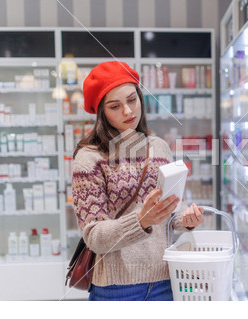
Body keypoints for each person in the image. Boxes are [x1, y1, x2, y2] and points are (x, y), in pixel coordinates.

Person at [72, 61, 204, 301]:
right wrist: (141, 220)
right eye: (115, 106)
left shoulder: (159, 147)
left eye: (132, 100)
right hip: (116, 287)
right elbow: (93, 236)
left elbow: (171, 205)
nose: (128, 112)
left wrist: (186, 218)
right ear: (102, 112)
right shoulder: (89, 158)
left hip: (166, 280)